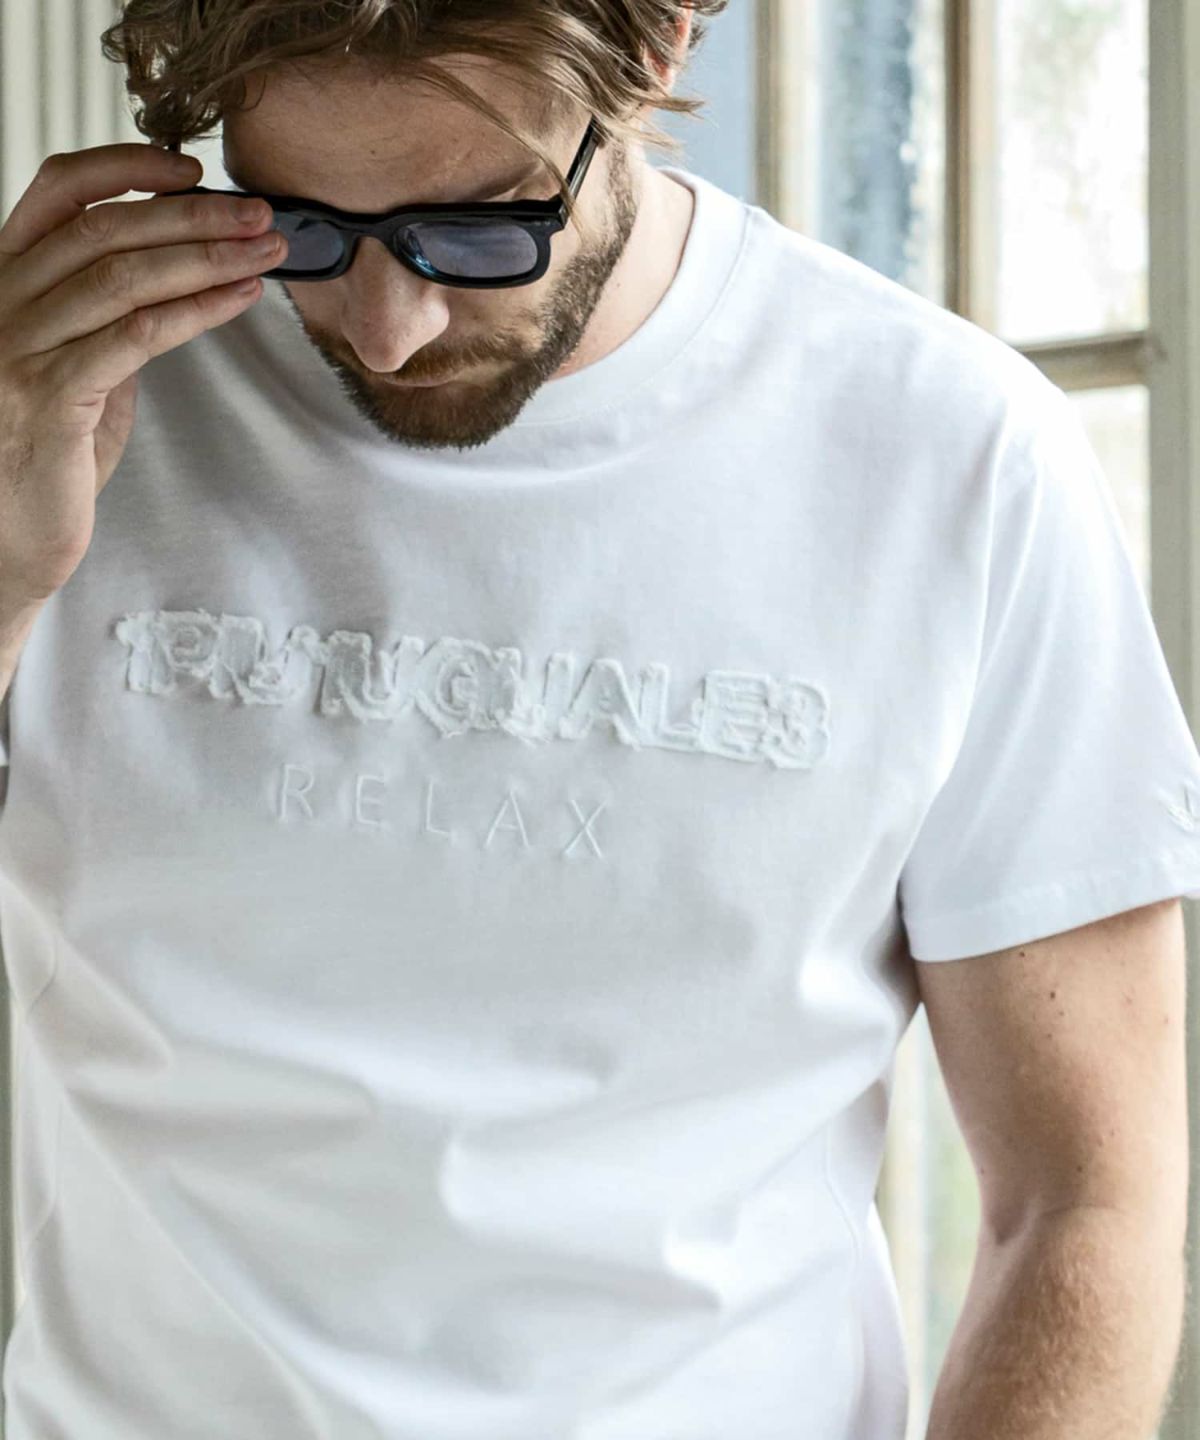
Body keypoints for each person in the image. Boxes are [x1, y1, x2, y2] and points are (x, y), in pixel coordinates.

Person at [0, 3, 1196, 1438]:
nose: (387, 327)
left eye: (478, 228)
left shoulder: (952, 457)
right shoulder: (65, 416)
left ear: (661, 46)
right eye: (302, 230)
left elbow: (1082, 1203)